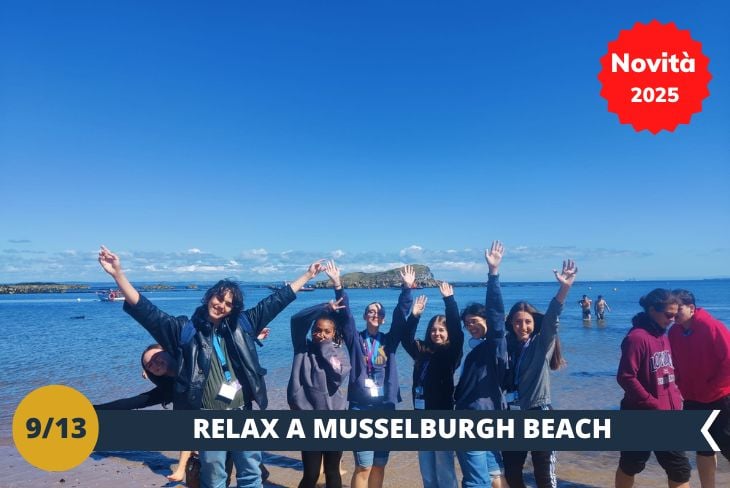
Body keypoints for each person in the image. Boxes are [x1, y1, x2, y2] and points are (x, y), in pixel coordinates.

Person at [98, 245, 322, 488]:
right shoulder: (183, 330)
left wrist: (308, 275)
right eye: (219, 298)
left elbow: (276, 301)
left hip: (242, 413)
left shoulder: (243, 325)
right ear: (209, 297)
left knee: (251, 476)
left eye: (228, 303)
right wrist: (117, 275)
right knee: (214, 479)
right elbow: (146, 311)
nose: (221, 305)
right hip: (208, 418)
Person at [502, 259, 576, 488]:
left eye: (527, 322)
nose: (522, 326)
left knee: (544, 476)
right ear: (511, 324)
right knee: (512, 474)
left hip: (539, 413)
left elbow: (552, 319)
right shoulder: (507, 347)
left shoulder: (541, 344)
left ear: (534, 323)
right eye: (517, 322)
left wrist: (564, 288)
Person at [346, 265, 415, 488]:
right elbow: (345, 318)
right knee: (363, 465)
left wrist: (406, 289)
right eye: (372, 312)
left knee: (379, 464)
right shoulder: (356, 340)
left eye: (379, 313)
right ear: (365, 316)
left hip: (386, 408)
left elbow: (400, 317)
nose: (376, 315)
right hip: (361, 407)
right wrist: (339, 287)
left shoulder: (389, 341)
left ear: (383, 319)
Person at [614, 289, 690, 488]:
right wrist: (652, 403)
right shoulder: (636, 338)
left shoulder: (663, 336)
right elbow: (625, 377)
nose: (673, 319)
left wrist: (678, 395)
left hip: (670, 415)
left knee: (680, 469)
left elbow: (667, 371)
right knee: (631, 465)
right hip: (640, 415)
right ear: (651, 310)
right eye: (668, 314)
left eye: (675, 314)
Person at [287, 260, 352, 488]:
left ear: (334, 334)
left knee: (333, 473)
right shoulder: (302, 349)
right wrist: (324, 309)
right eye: (317, 330)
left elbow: (338, 374)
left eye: (327, 331)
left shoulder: (340, 353)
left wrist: (326, 346)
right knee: (311, 475)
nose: (321, 334)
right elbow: (296, 320)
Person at [453, 241, 509, 488]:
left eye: (474, 321)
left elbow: (497, 315)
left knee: (475, 481)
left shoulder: (494, 344)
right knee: (495, 473)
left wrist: (493, 274)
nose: (470, 326)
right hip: (488, 415)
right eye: (467, 324)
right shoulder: (479, 349)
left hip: (475, 418)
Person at [402, 281, 464, 488]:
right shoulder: (421, 350)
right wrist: (415, 315)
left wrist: (449, 301)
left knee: (444, 469)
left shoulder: (451, 353)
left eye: (441, 330)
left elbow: (457, 331)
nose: (437, 333)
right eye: (434, 330)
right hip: (420, 415)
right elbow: (405, 338)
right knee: (427, 470)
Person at [669, 289, 730, 488]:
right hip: (692, 399)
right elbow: (674, 363)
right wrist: (680, 384)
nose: (673, 314)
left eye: (678, 309)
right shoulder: (674, 332)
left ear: (692, 308)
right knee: (703, 448)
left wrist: (712, 387)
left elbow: (728, 362)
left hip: (720, 397)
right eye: (671, 310)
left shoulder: (712, 326)